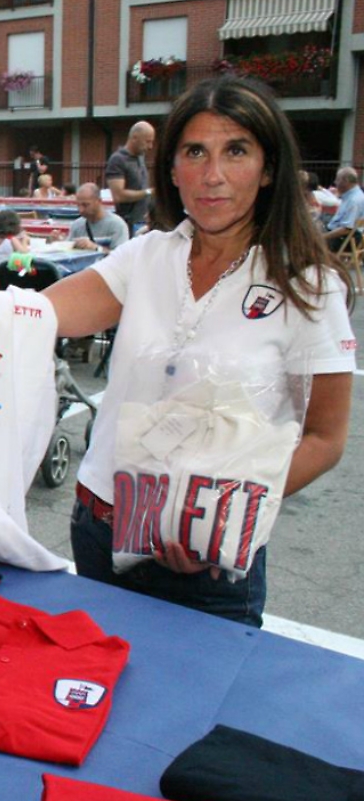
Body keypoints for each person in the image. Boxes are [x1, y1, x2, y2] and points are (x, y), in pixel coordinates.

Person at [45, 76, 355, 628]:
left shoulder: (306, 285)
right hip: (100, 531)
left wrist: (218, 518)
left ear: (268, 168)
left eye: (235, 150)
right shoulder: (145, 257)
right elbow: (37, 317)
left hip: (209, 563)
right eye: (195, 152)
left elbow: (325, 438)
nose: (213, 176)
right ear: (171, 169)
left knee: (198, 711)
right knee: (95, 702)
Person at [105, 120, 155, 233]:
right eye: (147, 142)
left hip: (144, 221)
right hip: (128, 223)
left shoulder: (140, 158)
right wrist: (148, 192)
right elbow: (118, 195)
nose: (150, 146)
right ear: (134, 138)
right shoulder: (118, 160)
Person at [68, 182, 130, 253]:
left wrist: (96, 248)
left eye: (85, 205)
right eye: (78, 205)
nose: (81, 210)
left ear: (99, 201)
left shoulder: (117, 225)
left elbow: (121, 256)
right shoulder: (76, 225)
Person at [320, 166, 364, 251]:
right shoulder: (356, 195)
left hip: (343, 240)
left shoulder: (353, 201)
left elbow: (346, 229)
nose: (335, 182)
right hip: (348, 237)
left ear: (346, 181)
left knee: (308, 238)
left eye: (337, 179)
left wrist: (323, 236)